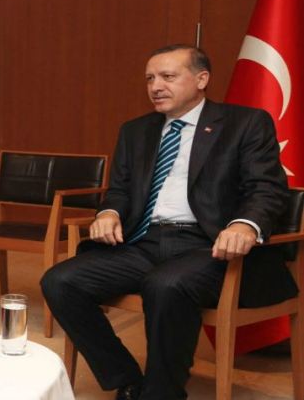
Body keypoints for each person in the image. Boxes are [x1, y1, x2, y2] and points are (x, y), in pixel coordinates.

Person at [40, 44, 298, 400]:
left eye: (167, 77)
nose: (155, 86)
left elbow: (266, 188)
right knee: (59, 281)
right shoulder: (136, 131)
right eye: (149, 79)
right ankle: (128, 380)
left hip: (209, 245)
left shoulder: (245, 124)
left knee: (165, 285)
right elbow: (120, 190)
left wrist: (244, 225)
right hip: (145, 241)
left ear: (201, 79)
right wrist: (109, 212)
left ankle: (162, 393)